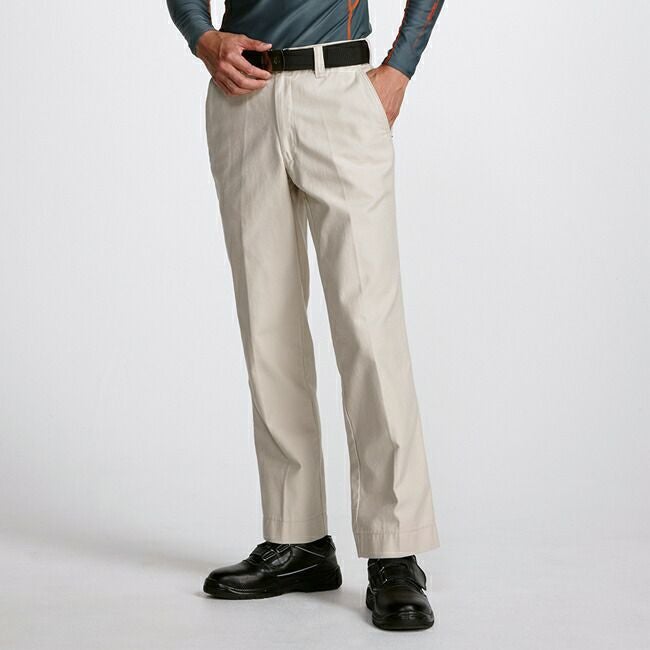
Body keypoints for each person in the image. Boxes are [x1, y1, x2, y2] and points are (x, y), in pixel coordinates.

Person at [167, 0, 445, 631]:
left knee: (369, 327)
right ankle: (298, 540)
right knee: (268, 329)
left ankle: (395, 549)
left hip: (339, 91)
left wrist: (400, 68)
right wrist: (203, 39)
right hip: (243, 99)